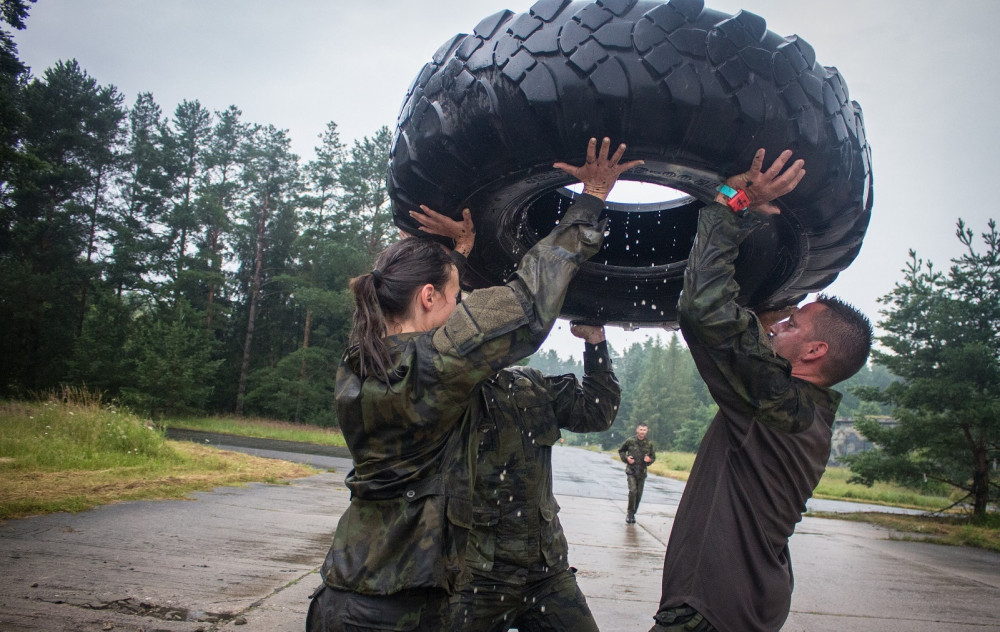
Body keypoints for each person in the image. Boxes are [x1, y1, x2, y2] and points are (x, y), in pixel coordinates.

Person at [306, 138, 642, 632]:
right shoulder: (433, 368)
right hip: (398, 609)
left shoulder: (363, 362)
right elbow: (525, 305)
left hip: (351, 591)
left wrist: (456, 254)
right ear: (428, 297)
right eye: (455, 296)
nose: (461, 306)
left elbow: (437, 321)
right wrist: (590, 200)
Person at [648, 149, 873, 632]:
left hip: (710, 612)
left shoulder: (777, 402)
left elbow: (703, 310)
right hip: (747, 607)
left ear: (814, 352)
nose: (775, 326)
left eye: (791, 324)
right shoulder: (803, 411)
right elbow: (740, 334)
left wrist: (734, 203)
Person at [448, 322, 620, 632]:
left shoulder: (532, 385)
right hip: (480, 576)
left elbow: (598, 412)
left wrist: (595, 341)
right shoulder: (451, 395)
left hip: (547, 572)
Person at [618, 423, 656, 524]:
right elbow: (621, 451)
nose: (642, 432)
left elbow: (653, 457)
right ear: (637, 430)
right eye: (641, 429)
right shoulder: (630, 441)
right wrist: (626, 458)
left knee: (639, 494)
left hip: (642, 472)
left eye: (644, 430)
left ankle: (633, 514)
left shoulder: (649, 443)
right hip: (631, 471)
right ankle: (629, 514)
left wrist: (649, 460)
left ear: (647, 431)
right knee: (633, 491)